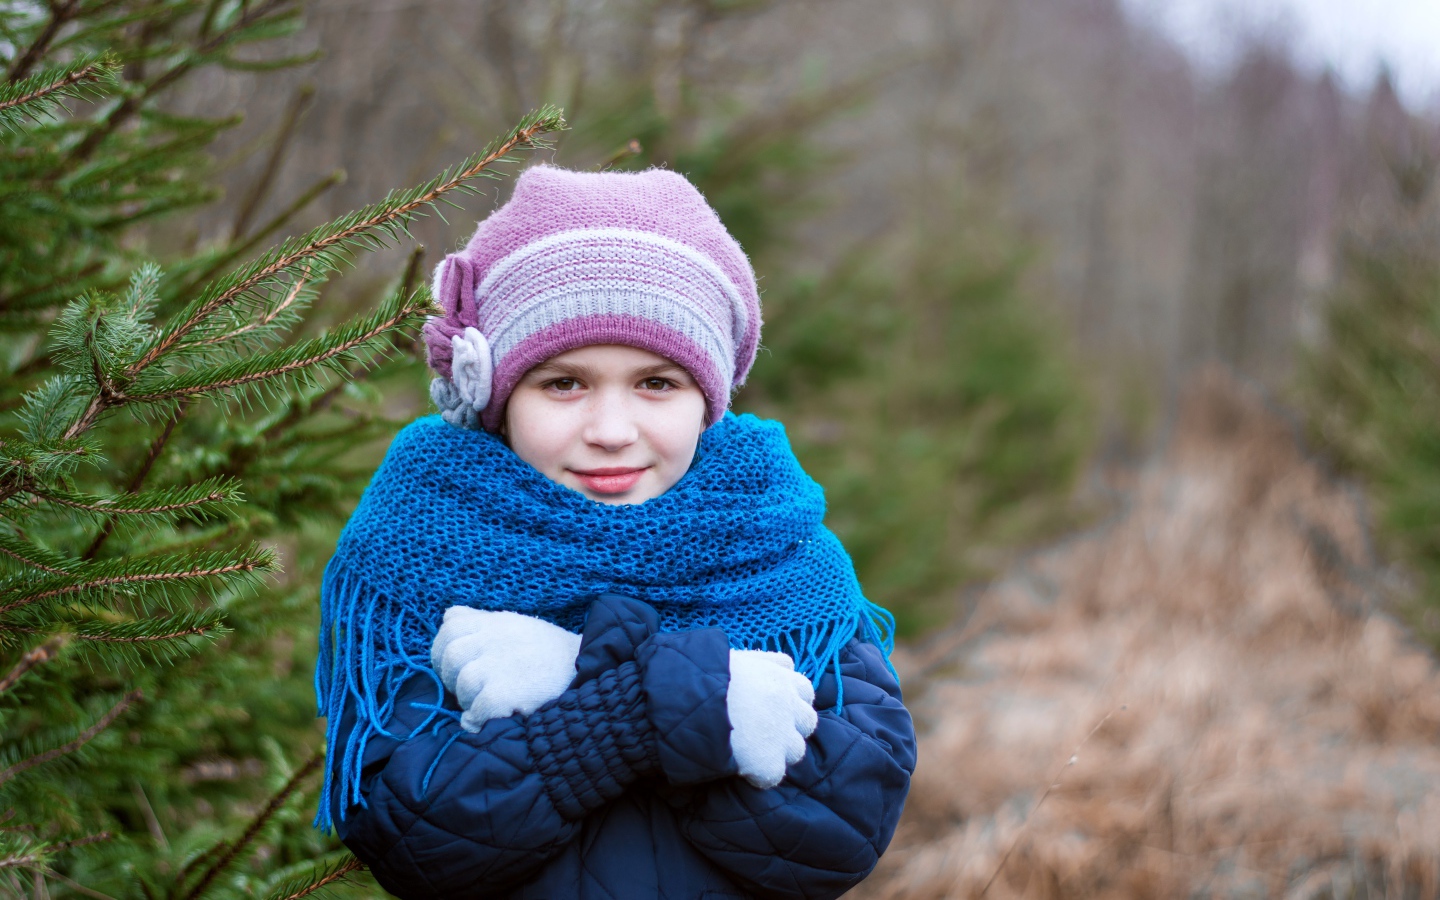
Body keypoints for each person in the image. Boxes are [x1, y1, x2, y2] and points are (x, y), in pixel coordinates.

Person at [314, 164, 916, 899]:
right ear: (496, 397)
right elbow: (410, 834)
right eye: (563, 383)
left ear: (708, 400)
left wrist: (591, 679)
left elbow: (838, 831)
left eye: (657, 383)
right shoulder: (421, 541)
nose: (610, 430)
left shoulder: (780, 550)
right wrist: (658, 711)